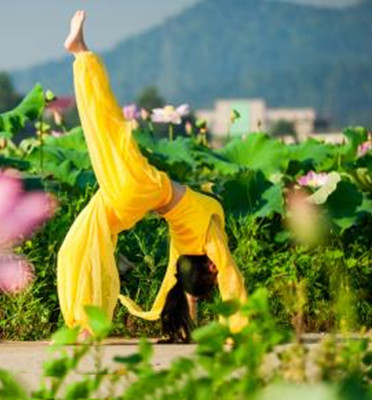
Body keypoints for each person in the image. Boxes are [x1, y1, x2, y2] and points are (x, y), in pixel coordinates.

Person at [57, 10, 248, 341]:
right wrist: (196, 325)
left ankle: (82, 54)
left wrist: (240, 330)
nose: (219, 271)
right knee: (76, 247)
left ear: (212, 267)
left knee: (109, 128)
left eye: (213, 274)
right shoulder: (186, 247)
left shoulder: (207, 236)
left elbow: (230, 276)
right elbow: (175, 288)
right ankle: (85, 325)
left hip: (144, 188)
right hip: (131, 203)